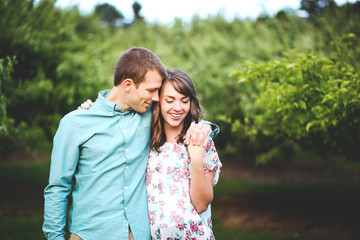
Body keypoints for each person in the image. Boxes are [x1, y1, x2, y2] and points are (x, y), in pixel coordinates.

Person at [43, 47, 216, 240]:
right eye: (151, 90)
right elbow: (58, 188)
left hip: (139, 234)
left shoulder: (148, 115)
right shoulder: (76, 123)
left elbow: (178, 113)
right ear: (128, 84)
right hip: (90, 234)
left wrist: (204, 128)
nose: (156, 97)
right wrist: (55, 237)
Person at [146, 68, 222, 239]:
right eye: (170, 100)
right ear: (158, 101)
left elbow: (202, 204)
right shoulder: (145, 141)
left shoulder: (202, 139)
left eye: (184, 100)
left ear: (191, 102)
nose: (177, 108)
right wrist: (92, 109)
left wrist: (195, 157)